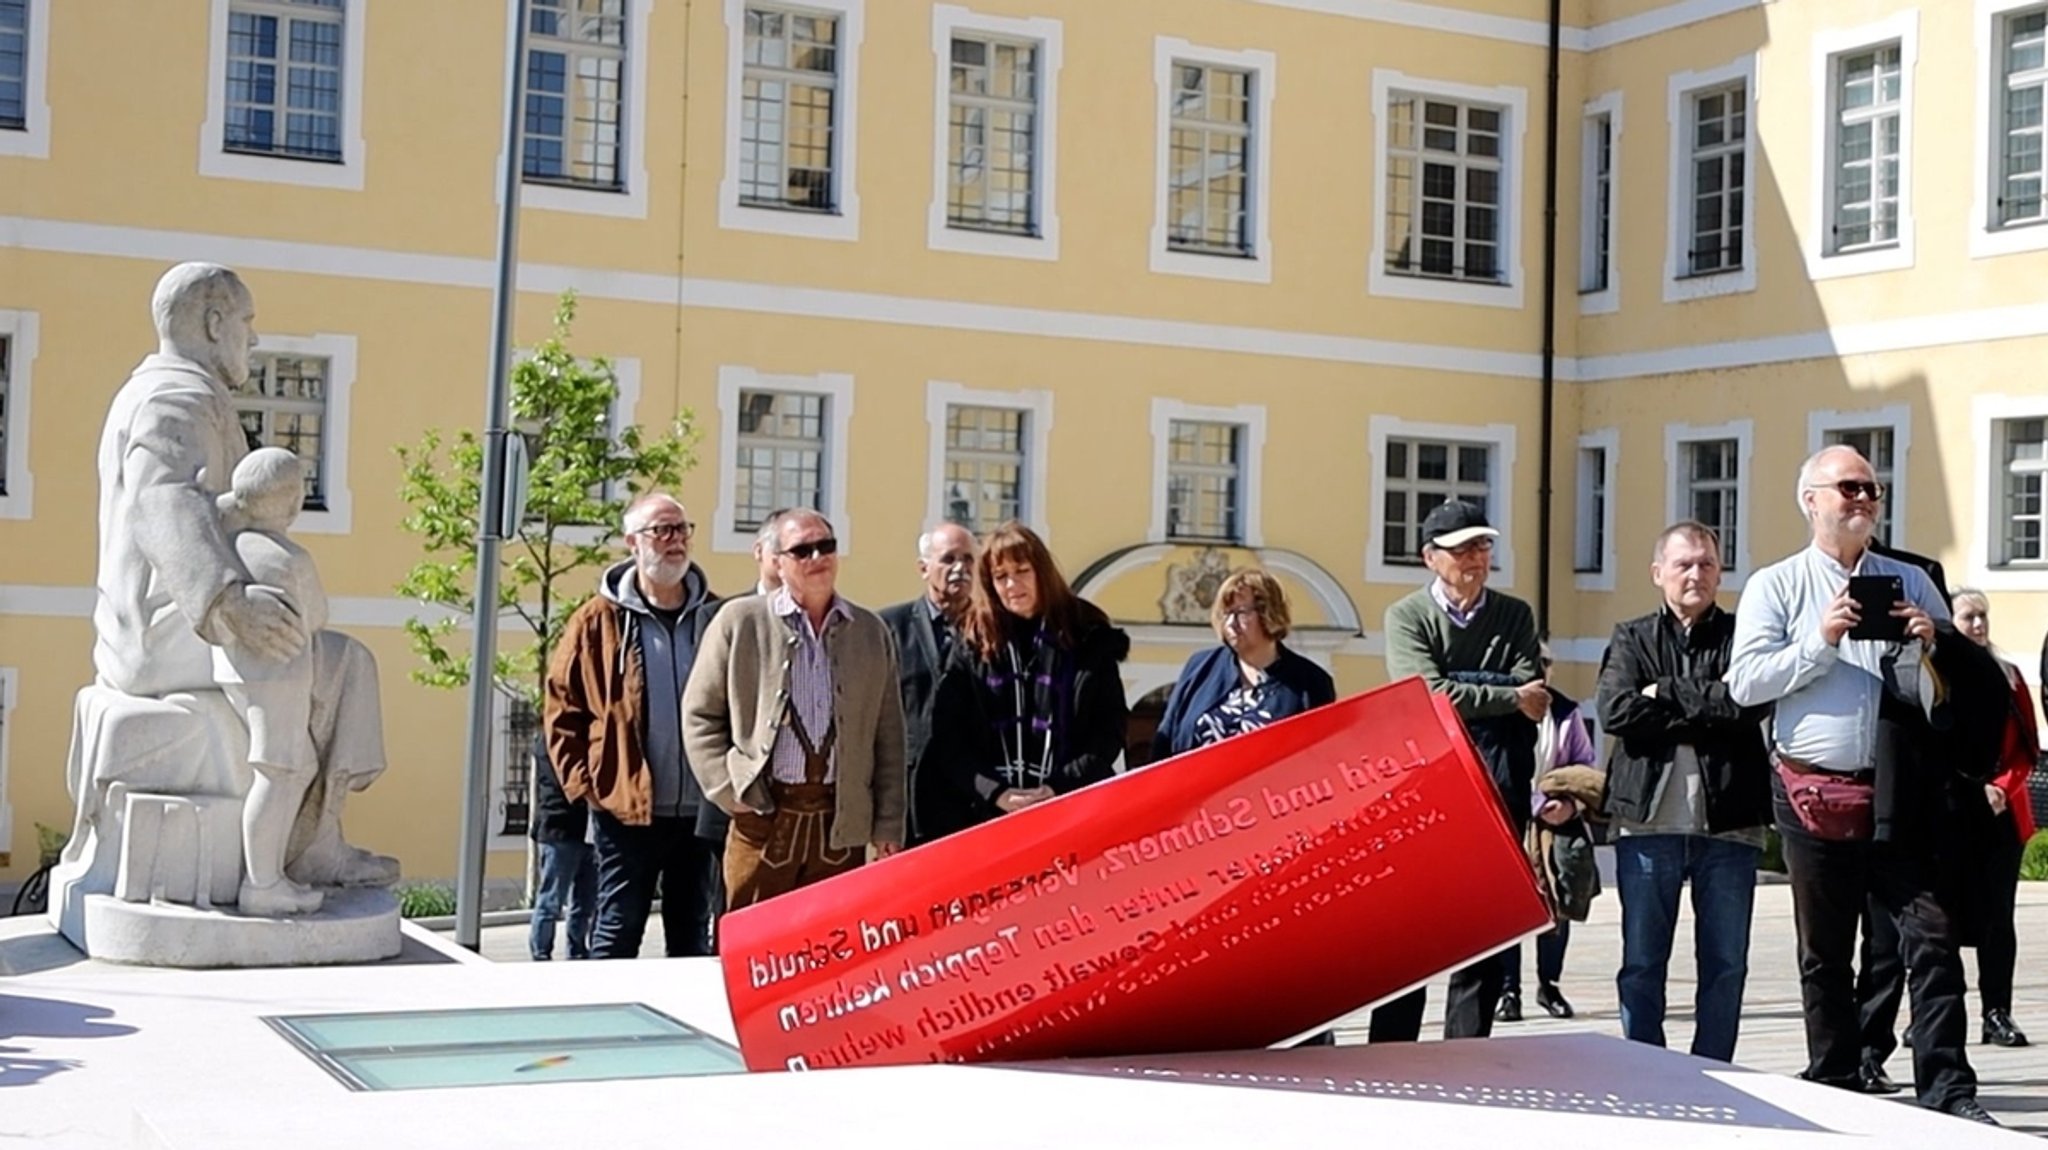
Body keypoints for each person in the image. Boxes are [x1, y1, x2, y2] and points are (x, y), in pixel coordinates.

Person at [93, 261, 394, 916]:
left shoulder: (184, 392)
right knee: (332, 664)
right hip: (170, 627)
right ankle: (294, 854)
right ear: (213, 321)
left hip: (177, 614)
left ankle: (317, 839)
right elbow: (163, 503)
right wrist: (227, 602)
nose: (253, 340)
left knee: (346, 662)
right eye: (248, 323)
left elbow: (205, 504)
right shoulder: (175, 398)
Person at [1726, 445, 1993, 1124]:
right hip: (1812, 791)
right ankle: (1837, 1079)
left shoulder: (1910, 580)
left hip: (1903, 794)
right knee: (1827, 952)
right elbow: (1745, 684)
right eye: (1849, 487)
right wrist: (1820, 640)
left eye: (1873, 489)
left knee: (1931, 938)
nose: (1865, 499)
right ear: (1810, 498)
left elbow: (1966, 680)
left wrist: (1936, 639)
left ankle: (1949, 1089)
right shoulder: (1777, 584)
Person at [1378, 499, 1553, 1041]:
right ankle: (1391, 1051)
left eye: (1482, 546)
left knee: (1481, 930)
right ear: (1431, 557)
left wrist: (1475, 693)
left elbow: (1537, 695)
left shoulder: (1514, 614)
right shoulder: (1407, 617)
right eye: (1462, 549)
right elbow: (1428, 694)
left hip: (1500, 787)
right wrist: (1503, 694)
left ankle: (1467, 1051)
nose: (1476, 559)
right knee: (1411, 929)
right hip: (1429, 789)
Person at [1596, 520, 1769, 1062]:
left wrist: (1665, 691)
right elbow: (1617, 710)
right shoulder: (1632, 636)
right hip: (1648, 825)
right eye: (1684, 564)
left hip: (1730, 822)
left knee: (1726, 962)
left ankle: (1714, 1066)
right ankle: (1645, 1064)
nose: (1696, 574)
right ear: (1658, 573)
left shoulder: (1745, 636)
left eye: (1707, 564)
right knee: (1643, 960)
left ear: (1720, 573)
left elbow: (1746, 707)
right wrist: (1705, 709)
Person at [684, 509, 907, 907]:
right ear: (778, 562)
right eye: (802, 550)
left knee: (834, 946)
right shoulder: (740, 621)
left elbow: (888, 737)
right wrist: (727, 788)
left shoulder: (870, 631)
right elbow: (699, 715)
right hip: (765, 817)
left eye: (826, 546)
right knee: (754, 949)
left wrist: (888, 823)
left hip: (841, 824)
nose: (817, 557)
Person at [544, 494, 724, 958]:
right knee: (618, 928)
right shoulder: (596, 620)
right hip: (626, 809)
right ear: (632, 543)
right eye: (661, 531)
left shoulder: (717, 616)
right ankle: (600, 1028)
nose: (674, 542)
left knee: (692, 934)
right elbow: (562, 708)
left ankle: (688, 1029)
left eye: (681, 530)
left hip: (701, 811)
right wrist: (587, 787)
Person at [926, 521, 1130, 833]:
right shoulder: (971, 641)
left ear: (1042, 573)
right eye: (1000, 577)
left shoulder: (1088, 637)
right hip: (985, 815)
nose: (1011, 585)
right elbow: (950, 737)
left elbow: (1106, 734)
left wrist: (1055, 789)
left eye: (1021, 571)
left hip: (1073, 810)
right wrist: (997, 793)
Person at [210, 447, 330, 913]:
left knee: (297, 767)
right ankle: (262, 884)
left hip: (241, 673)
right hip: (278, 679)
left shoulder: (231, 546)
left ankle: (272, 873)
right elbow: (318, 615)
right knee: (276, 773)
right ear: (289, 501)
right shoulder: (288, 557)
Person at [1948, 588, 2037, 1048]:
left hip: (2001, 814)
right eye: (1969, 617)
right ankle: (1936, 1012)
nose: (1979, 626)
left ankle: (1997, 1012)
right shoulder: (1934, 673)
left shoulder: (2010, 677)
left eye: (1983, 617)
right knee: (1939, 919)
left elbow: (2027, 747)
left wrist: (2002, 787)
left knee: (1996, 918)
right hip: (1949, 813)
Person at [1499, 641, 1596, 1023]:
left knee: (1558, 904)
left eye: (1546, 662)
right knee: (1508, 911)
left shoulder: (1567, 712)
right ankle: (1508, 991)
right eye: (1533, 661)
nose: (1541, 669)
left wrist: (1572, 805)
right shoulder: (1504, 710)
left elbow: (1585, 766)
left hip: (1556, 825)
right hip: (1510, 821)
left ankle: (1549, 985)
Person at [1151, 568, 1336, 761]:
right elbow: (1164, 744)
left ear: (1268, 613)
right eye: (1226, 614)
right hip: (1195, 789)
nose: (1231, 623)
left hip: (1271, 790)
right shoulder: (1199, 667)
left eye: (1241, 613)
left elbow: (1319, 759)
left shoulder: (1311, 683)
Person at [881, 522, 977, 846]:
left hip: (974, 798)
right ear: (924, 568)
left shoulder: (992, 631)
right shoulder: (888, 628)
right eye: (949, 559)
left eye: (968, 559)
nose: (960, 569)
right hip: (910, 797)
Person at [526, 733, 596, 960]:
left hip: (587, 830)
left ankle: (578, 951)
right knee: (551, 901)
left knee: (585, 902)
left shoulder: (581, 739)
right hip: (559, 830)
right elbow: (567, 781)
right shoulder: (549, 743)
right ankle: (541, 954)